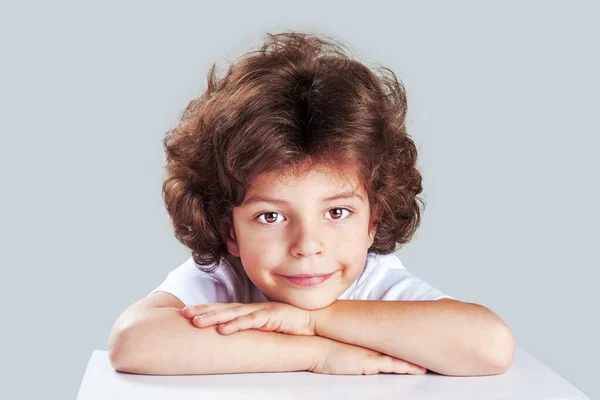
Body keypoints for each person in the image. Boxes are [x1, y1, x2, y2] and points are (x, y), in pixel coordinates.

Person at [108, 31, 515, 377]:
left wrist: (311, 320)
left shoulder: (377, 284)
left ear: (374, 219)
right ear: (229, 230)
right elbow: (133, 343)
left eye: (337, 213)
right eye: (270, 216)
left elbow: (490, 346)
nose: (307, 245)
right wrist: (318, 352)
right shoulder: (222, 280)